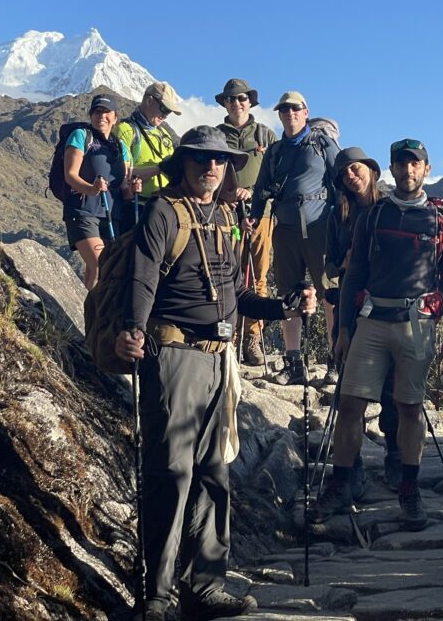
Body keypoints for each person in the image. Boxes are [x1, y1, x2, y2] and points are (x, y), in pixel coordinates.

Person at [114, 126, 317, 621]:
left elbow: (234, 296)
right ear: (184, 162)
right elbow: (142, 276)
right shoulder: (164, 212)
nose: (212, 167)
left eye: (221, 161)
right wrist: (132, 329)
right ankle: (158, 596)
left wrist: (284, 306)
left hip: (216, 359)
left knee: (212, 472)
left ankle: (205, 587)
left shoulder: (224, 216)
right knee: (171, 473)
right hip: (174, 354)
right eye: (202, 159)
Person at [311, 138, 443, 531]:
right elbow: (355, 274)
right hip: (372, 320)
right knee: (350, 404)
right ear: (392, 170)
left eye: (415, 164)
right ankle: (342, 484)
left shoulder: (439, 219)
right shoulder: (374, 216)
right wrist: (343, 329)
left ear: (426, 169)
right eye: (402, 164)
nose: (408, 170)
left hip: (418, 324)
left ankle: (409, 491)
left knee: (410, 409)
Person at [324, 147, 401, 492]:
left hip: (387, 307)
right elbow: (328, 263)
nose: (351, 176)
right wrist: (345, 265)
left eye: (356, 169)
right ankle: (350, 467)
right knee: (350, 392)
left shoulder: (391, 209)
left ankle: (396, 457)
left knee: (392, 389)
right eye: (345, 174)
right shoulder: (336, 215)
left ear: (371, 171)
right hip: (351, 306)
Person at [250, 91, 338, 385]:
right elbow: (262, 186)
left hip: (320, 228)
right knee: (288, 294)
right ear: (279, 115)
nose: (289, 113)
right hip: (285, 229)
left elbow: (340, 180)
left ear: (305, 111)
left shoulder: (322, 143)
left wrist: (345, 223)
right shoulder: (275, 152)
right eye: (284, 109)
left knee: (330, 296)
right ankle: (293, 362)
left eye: (295, 109)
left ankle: (334, 363)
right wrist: (255, 215)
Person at [215, 78, 278, 368]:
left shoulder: (265, 134)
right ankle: (227, 334)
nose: (236, 104)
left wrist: (254, 193)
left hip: (261, 213)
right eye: (231, 99)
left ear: (250, 101)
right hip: (225, 213)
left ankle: (252, 337)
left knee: (258, 277)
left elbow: (278, 176)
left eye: (241, 99)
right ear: (224, 103)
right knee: (227, 273)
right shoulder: (216, 135)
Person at [62, 94, 131, 289]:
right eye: (97, 111)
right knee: (99, 263)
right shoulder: (81, 136)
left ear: (115, 117)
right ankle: (94, 315)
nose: (102, 116)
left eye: (106, 112)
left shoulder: (120, 146)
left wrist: (131, 190)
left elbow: (123, 187)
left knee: (108, 269)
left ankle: (97, 313)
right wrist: (91, 189)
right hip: (83, 212)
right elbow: (70, 175)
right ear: (91, 115)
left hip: (111, 215)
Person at [113, 80, 181, 233]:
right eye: (164, 109)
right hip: (136, 207)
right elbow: (120, 175)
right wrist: (159, 168)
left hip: (164, 208)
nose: (165, 116)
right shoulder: (125, 130)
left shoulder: (164, 135)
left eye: (168, 112)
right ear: (150, 100)